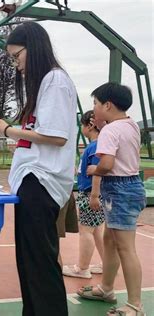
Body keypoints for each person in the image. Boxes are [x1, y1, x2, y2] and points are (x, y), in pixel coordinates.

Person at [0, 21, 77, 315]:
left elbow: (57, 137)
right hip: (33, 182)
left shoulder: (54, 81)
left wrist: (8, 131)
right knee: (31, 264)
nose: (16, 63)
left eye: (16, 55)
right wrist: (8, 131)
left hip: (41, 183)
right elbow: (39, 134)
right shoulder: (47, 83)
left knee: (40, 265)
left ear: (33, 48)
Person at [77, 83, 146, 316]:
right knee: (109, 239)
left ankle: (135, 305)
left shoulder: (109, 131)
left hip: (118, 189)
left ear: (107, 105)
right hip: (130, 185)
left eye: (95, 104)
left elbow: (106, 165)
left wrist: (93, 169)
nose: (93, 108)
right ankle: (106, 288)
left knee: (125, 248)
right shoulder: (130, 125)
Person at [63, 110, 105, 279]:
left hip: (90, 193)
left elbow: (98, 172)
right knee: (96, 231)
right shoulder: (95, 145)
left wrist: (94, 195)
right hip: (91, 193)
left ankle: (82, 268)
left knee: (85, 231)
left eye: (82, 124)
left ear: (91, 124)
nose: (82, 128)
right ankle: (106, 264)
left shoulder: (95, 145)